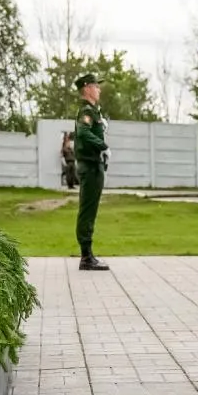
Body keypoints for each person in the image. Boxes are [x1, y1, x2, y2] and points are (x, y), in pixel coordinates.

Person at [72, 72, 110, 271]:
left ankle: (88, 255)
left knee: (90, 210)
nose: (99, 89)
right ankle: (86, 257)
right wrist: (103, 146)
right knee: (87, 211)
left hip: (95, 166)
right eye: (96, 86)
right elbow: (84, 132)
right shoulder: (86, 111)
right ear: (87, 88)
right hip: (90, 167)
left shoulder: (94, 111)